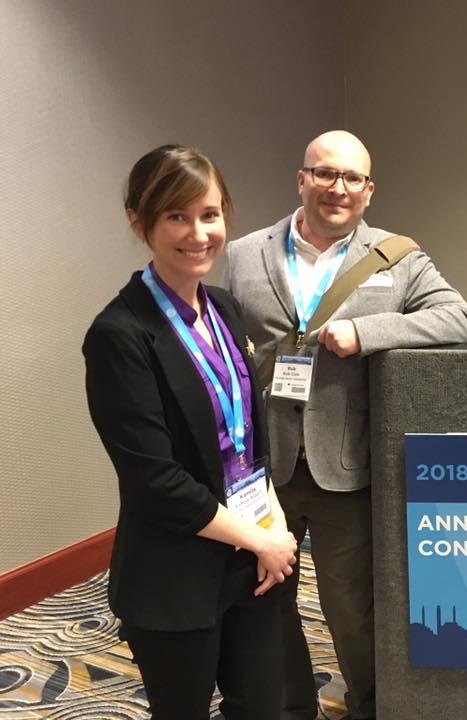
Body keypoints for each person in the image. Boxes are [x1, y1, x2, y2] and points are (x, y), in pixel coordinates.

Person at [223, 130, 467, 720]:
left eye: (352, 179)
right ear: (302, 179)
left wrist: (367, 334)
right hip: (263, 467)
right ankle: (291, 707)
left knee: (352, 609)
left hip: (347, 464)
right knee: (265, 601)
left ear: (369, 190)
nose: (339, 189)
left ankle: (369, 707)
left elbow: (458, 318)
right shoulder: (241, 254)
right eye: (326, 174)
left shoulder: (399, 256)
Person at [83, 145, 299, 719]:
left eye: (209, 214)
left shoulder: (226, 309)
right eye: (176, 216)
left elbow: (249, 439)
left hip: (249, 557)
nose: (198, 233)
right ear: (140, 223)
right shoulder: (120, 334)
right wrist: (260, 539)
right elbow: (155, 480)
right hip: (176, 570)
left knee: (262, 707)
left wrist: (269, 527)